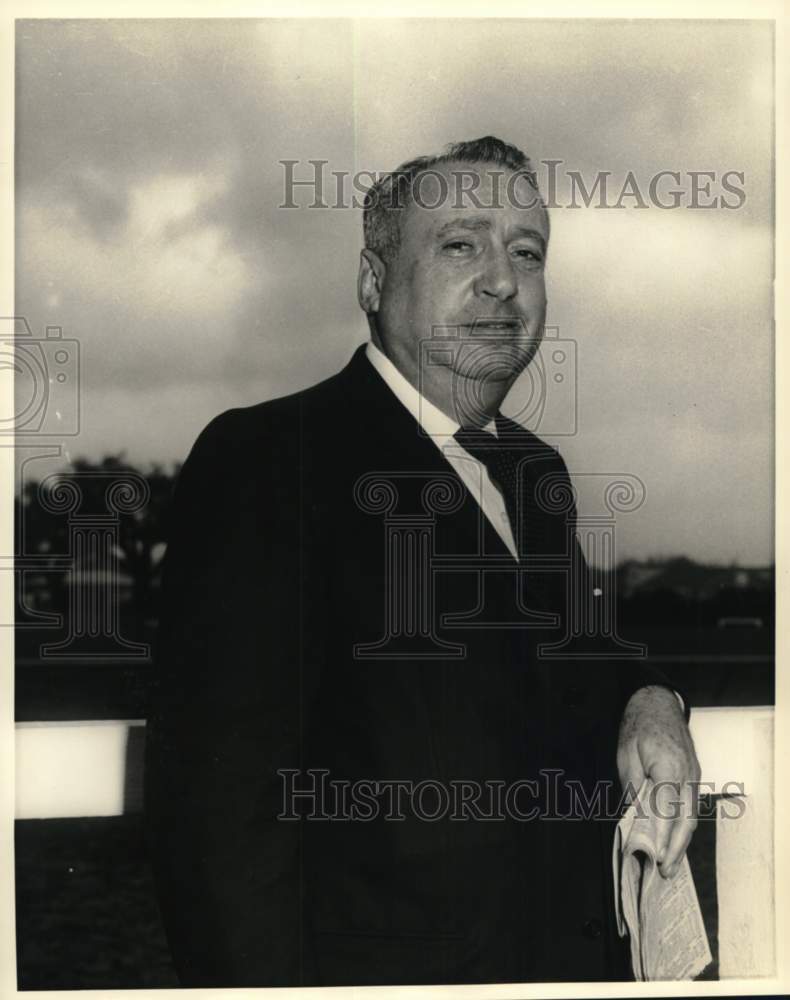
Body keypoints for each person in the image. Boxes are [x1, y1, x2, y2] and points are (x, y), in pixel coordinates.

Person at [143, 136, 700, 987]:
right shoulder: (269, 459)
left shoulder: (533, 471)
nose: (503, 281)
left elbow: (576, 658)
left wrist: (652, 700)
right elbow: (219, 824)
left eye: (527, 252)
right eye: (459, 245)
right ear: (372, 282)